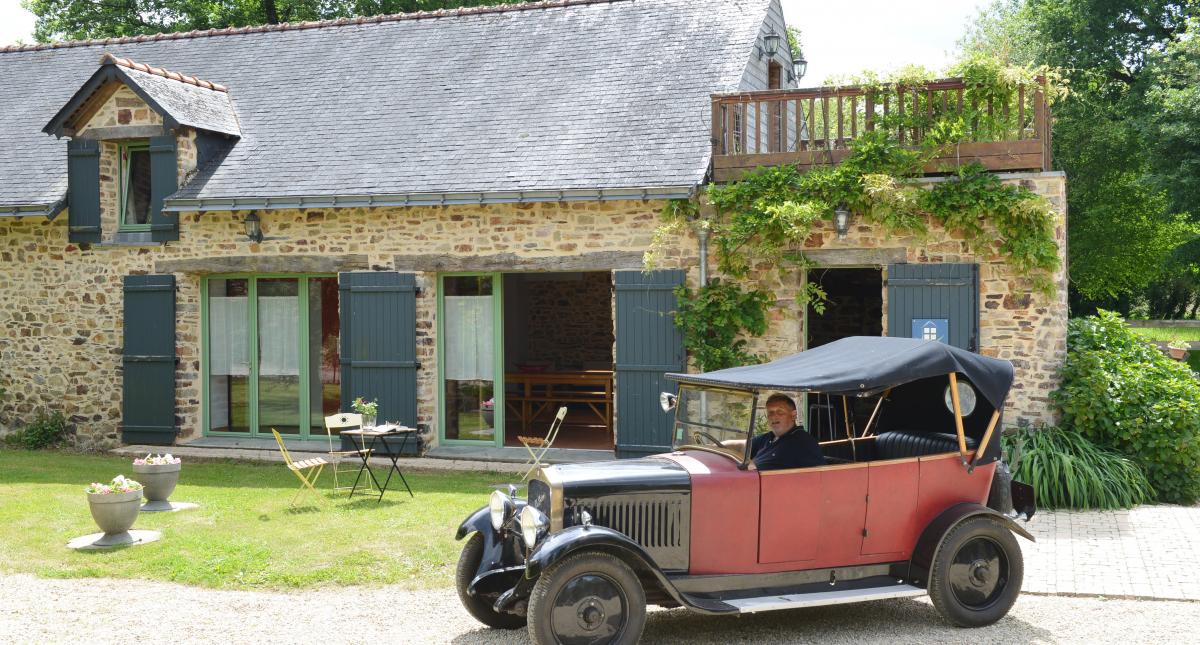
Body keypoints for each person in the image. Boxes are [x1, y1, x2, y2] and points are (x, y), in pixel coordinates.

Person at [725, 394, 826, 470]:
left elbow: (820, 476)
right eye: (770, 413)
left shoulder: (803, 442)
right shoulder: (769, 437)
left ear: (793, 415)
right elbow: (742, 446)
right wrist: (716, 446)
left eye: (780, 412)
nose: (774, 417)